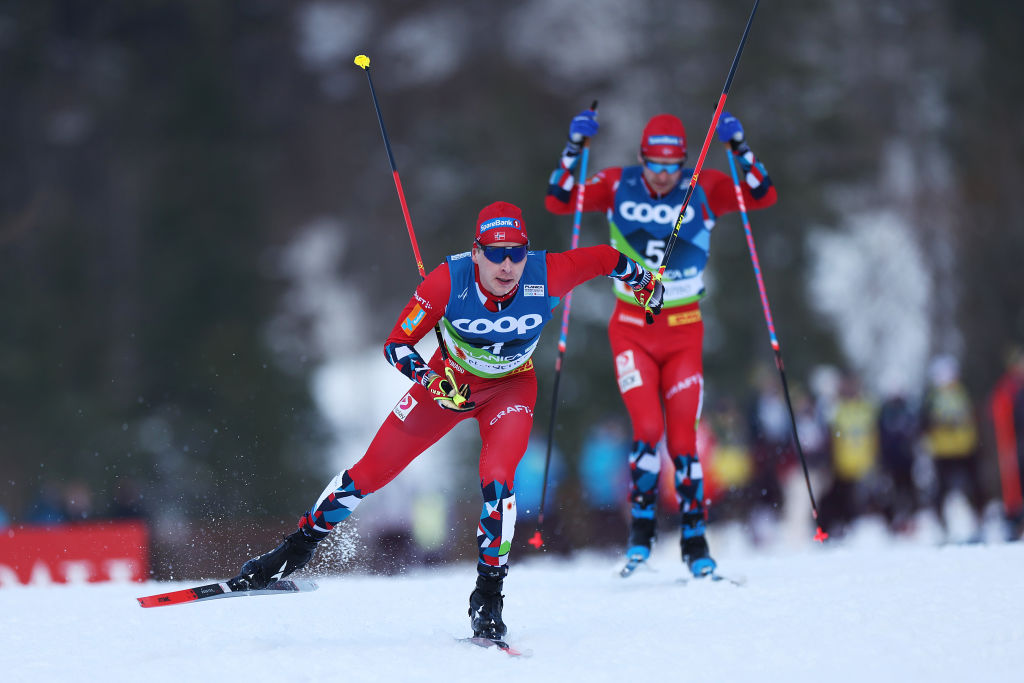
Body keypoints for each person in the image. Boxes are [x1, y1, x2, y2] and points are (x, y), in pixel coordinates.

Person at [229, 201, 663, 641]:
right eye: (495, 253)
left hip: (511, 387)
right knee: (368, 473)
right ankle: (293, 551)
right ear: (476, 253)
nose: (507, 264)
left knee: (498, 480)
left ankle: (488, 596)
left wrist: (646, 281)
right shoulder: (447, 281)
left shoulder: (548, 272)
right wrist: (433, 381)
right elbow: (397, 345)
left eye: (516, 252)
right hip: (449, 383)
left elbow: (609, 260)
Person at [544, 108, 777, 576]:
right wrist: (574, 147)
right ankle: (641, 538)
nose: (664, 175)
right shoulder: (616, 184)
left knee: (684, 440)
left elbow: (762, 195)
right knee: (647, 430)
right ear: (641, 158)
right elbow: (559, 201)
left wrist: (740, 148)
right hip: (632, 326)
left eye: (673, 166)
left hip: (685, 328)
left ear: (685, 162)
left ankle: (695, 542)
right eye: (655, 164)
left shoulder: (706, 187)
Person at [989, 346, 1024, 537]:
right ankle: (1014, 522)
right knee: (1014, 483)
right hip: (1015, 443)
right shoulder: (1007, 388)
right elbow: (1001, 417)